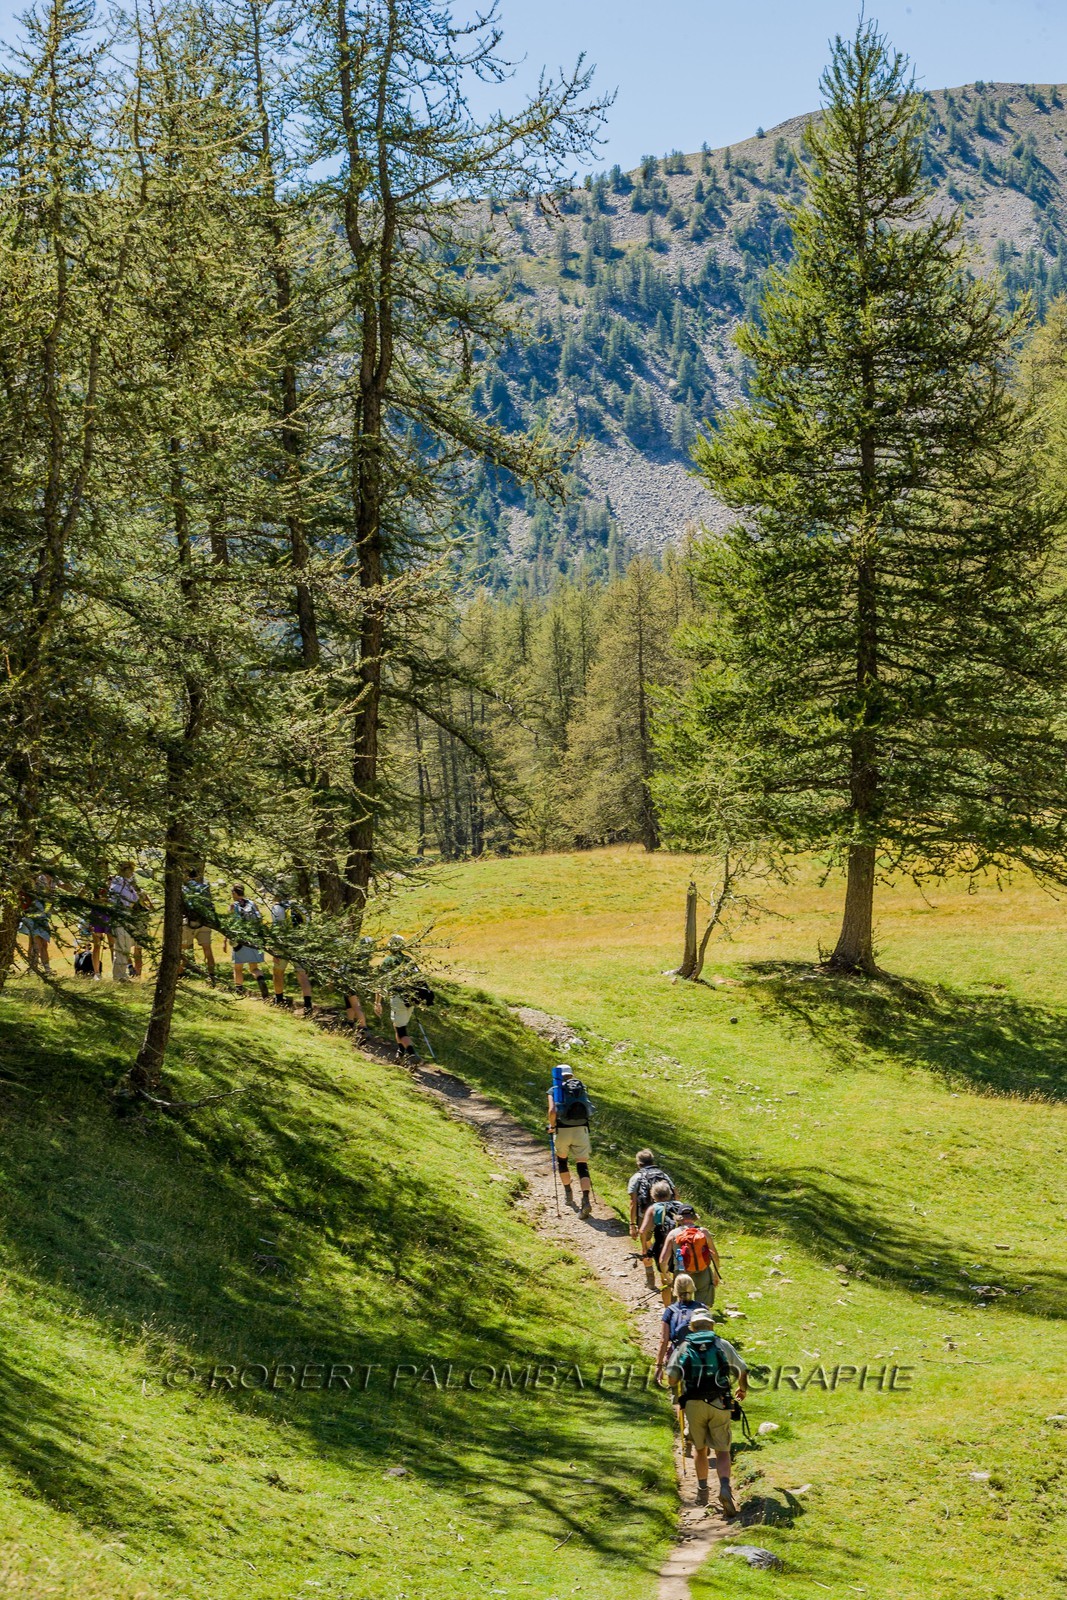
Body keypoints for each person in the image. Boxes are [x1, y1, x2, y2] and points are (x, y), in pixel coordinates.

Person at [666, 1309, 747, 1514]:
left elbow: (672, 1379)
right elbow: (742, 1369)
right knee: (722, 1450)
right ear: (711, 1326)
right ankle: (725, 1487)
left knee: (700, 1449)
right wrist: (742, 1388)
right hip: (719, 1402)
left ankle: (702, 1490)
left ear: (692, 1327)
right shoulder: (722, 1344)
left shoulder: (684, 1346)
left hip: (693, 1405)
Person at [546, 1063, 594, 1219]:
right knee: (582, 1165)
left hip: (563, 1130)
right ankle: (585, 1199)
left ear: (557, 1076)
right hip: (581, 1129)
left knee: (562, 1162)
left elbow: (552, 1111)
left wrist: (552, 1126)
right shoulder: (581, 1088)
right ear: (571, 1075)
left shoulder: (555, 1090)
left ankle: (568, 1194)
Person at [659, 1203, 720, 1307]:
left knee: (683, 1305)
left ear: (679, 1218)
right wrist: (716, 1274)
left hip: (682, 1273)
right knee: (703, 1306)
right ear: (695, 1217)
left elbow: (663, 1260)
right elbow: (714, 1255)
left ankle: (684, 1321)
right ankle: (700, 1318)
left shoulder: (673, 1234)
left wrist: (666, 1276)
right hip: (703, 1271)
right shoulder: (703, 1232)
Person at [654, 1273, 710, 1386]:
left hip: (677, 1357)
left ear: (676, 1290)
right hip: (701, 1356)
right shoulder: (703, 1309)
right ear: (693, 1288)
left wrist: (659, 1366)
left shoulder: (670, 1310)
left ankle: (676, 1398)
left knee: (675, 1390)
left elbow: (664, 1340)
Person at [375, 935, 422, 1062]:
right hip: (411, 999)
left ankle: (412, 1053)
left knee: (401, 1030)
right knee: (399, 1025)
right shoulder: (408, 960)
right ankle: (400, 1052)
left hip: (398, 998)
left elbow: (380, 983)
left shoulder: (388, 961)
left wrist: (377, 1002)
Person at [638, 1180, 683, 1305]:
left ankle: (668, 1309)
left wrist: (645, 1250)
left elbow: (643, 1231)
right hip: (681, 1246)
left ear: (653, 1195)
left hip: (662, 1247)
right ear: (669, 1194)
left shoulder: (653, 1208)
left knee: (665, 1279)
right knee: (680, 1275)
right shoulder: (680, 1205)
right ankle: (680, 1305)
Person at [269, 893, 312, 1014]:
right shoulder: (300, 907)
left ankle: (279, 1001)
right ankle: (308, 1006)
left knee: (278, 972)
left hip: (283, 945)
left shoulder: (277, 908)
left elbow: (276, 929)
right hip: (300, 944)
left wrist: (274, 951)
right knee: (303, 975)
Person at [226, 886, 270, 999]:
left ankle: (239, 990)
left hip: (240, 941)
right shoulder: (253, 904)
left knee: (238, 968)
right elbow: (259, 921)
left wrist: (225, 940)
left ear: (235, 893)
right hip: (255, 939)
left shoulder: (232, 906)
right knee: (254, 968)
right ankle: (260, 979)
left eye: (232, 892)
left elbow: (228, 925)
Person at [628, 1149, 677, 1236]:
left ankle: (647, 1249)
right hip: (665, 1212)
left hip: (645, 1212)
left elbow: (633, 1202)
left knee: (645, 1237)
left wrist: (632, 1225)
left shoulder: (637, 1177)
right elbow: (676, 1193)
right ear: (652, 1161)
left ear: (638, 1163)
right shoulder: (663, 1175)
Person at [180, 869, 217, 984]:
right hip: (204, 923)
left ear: (186, 876)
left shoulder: (183, 888)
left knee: (183, 950)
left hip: (188, 923)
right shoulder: (204, 888)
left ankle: (179, 975)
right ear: (197, 876)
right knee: (207, 950)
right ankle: (212, 976)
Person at [107, 863, 141, 982]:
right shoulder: (117, 884)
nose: (132, 873)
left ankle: (122, 975)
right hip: (120, 915)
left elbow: (135, 899)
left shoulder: (127, 884)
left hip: (127, 915)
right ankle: (118, 976)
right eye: (130, 870)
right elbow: (131, 899)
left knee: (126, 946)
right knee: (121, 946)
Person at [18, 873, 54, 973]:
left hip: (44, 916)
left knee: (43, 943)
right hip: (33, 914)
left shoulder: (53, 880)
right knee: (36, 942)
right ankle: (34, 967)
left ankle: (45, 967)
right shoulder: (39, 878)